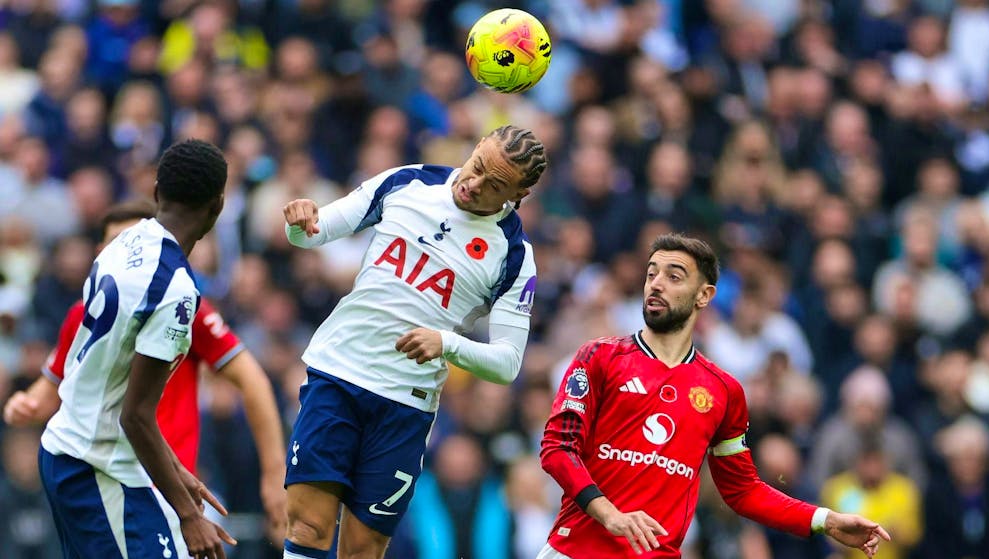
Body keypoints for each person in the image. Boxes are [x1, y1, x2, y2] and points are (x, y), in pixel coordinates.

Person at [280, 124, 547, 559]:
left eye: (493, 185)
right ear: (475, 147)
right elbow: (313, 231)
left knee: (364, 547)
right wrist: (299, 221)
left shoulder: (514, 255)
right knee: (309, 525)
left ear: (518, 195)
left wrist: (446, 343)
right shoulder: (409, 181)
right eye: (476, 166)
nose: (473, 184)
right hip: (338, 373)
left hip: (404, 404)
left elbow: (508, 363)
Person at [538, 233, 891, 558]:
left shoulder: (723, 391)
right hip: (576, 550)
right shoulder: (599, 358)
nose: (656, 284)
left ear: (704, 296)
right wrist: (609, 514)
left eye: (673, 276)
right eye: (651, 274)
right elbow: (558, 449)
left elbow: (742, 491)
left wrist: (825, 520)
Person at [3, 198, 288, 544]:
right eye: (119, 242)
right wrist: (25, 404)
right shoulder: (85, 314)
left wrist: (275, 475)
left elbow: (251, 379)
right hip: (105, 481)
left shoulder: (180, 305)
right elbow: (50, 394)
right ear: (102, 252)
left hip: (172, 491)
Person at [37, 139, 234, 559]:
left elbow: (113, 384)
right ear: (218, 207)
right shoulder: (176, 291)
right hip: (95, 467)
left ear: (157, 192)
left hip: (74, 450)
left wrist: (178, 473)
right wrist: (189, 516)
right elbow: (135, 415)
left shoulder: (125, 242)